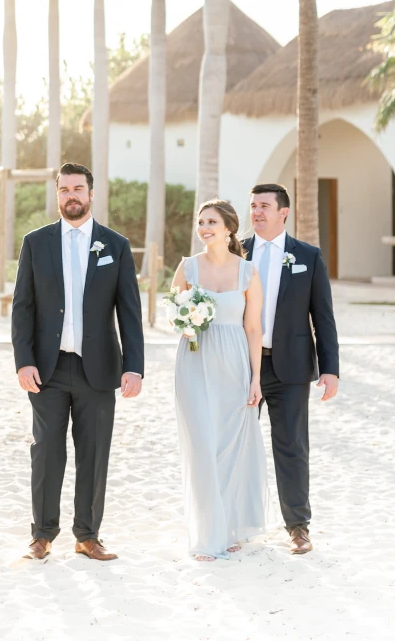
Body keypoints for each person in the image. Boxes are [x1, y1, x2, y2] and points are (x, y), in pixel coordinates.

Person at [12, 162, 145, 562]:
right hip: (47, 369)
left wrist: (134, 366)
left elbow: (130, 311)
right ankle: (42, 535)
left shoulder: (115, 245)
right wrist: (23, 361)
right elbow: (23, 307)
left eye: (78, 189)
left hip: (99, 369)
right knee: (47, 452)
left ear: (91, 194)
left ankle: (88, 535)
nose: (71, 195)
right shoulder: (36, 243)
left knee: (94, 453)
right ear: (57, 195)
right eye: (64, 189)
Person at [243, 183, 340, 555]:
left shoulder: (308, 256)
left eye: (264, 206)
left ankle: (298, 526)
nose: (257, 212)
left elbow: (324, 318)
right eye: (253, 206)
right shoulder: (237, 252)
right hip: (242, 367)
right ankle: (238, 521)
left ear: (284, 212)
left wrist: (329, 369)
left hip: (292, 369)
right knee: (237, 445)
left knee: (292, 448)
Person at [170, 199, 268, 561]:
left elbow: (254, 327)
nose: (204, 227)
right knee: (202, 445)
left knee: (229, 446)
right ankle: (206, 534)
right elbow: (173, 311)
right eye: (200, 222)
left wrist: (256, 377)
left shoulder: (248, 272)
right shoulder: (188, 267)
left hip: (234, 364)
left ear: (229, 228)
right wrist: (183, 321)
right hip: (195, 362)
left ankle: (227, 529)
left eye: (211, 221)